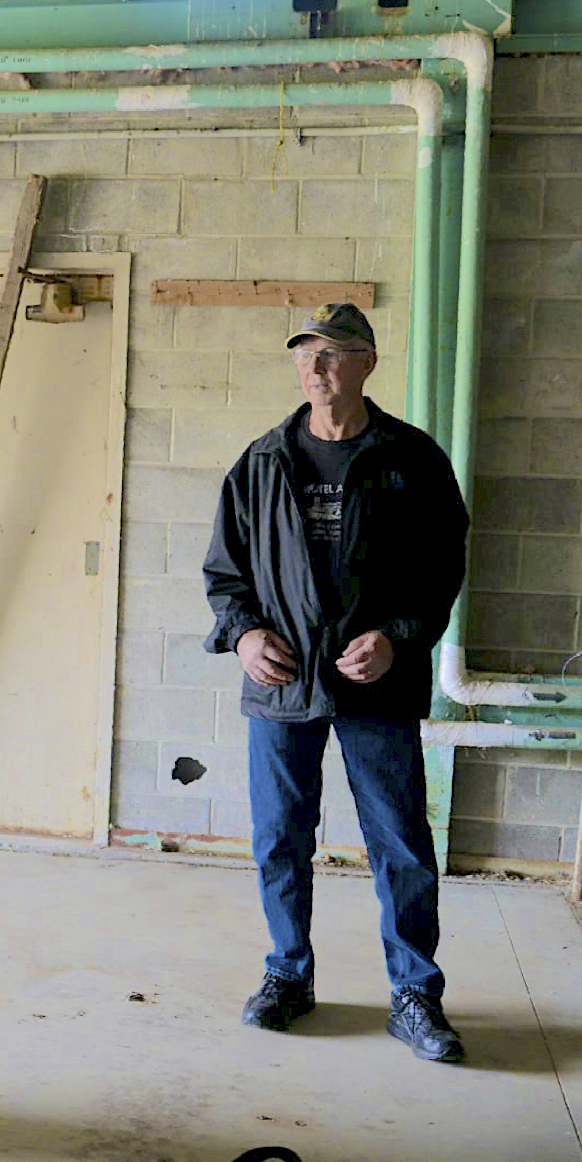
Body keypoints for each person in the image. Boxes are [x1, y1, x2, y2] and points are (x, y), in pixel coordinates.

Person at [202, 302, 470, 1063]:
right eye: (304, 356)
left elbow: (439, 574)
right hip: (282, 683)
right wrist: (246, 635)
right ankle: (287, 974)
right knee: (279, 839)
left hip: (374, 683)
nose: (314, 370)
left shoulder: (412, 460)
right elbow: (225, 575)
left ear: (367, 363)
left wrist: (397, 639)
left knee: (401, 843)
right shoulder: (260, 461)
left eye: (331, 355)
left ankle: (415, 994)